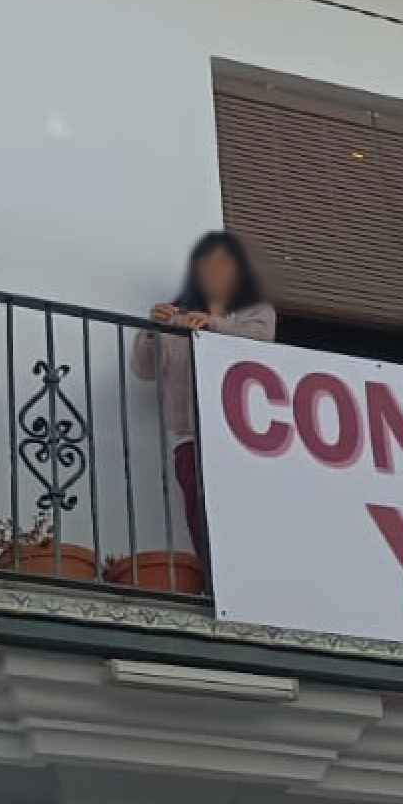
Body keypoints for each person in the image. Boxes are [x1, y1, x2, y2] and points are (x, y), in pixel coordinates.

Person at [129, 230, 278, 571]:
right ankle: (215, 578)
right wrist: (153, 330)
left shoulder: (254, 309)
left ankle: (250, 576)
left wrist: (214, 325)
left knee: (242, 511)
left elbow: (262, 339)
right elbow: (144, 369)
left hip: (244, 433)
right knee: (199, 512)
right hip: (192, 435)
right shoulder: (177, 313)